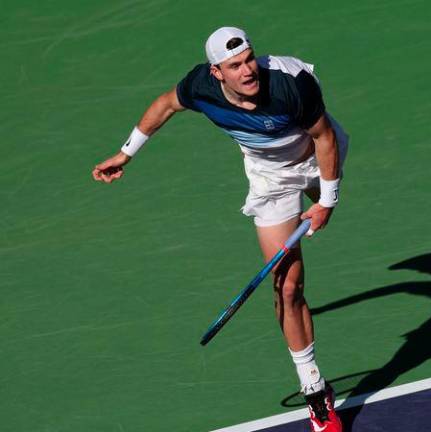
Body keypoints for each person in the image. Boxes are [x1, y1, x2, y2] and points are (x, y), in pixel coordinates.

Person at [91, 26, 346, 432]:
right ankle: (315, 391)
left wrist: (326, 203)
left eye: (249, 59)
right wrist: (126, 153)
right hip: (271, 177)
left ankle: (322, 196)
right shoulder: (199, 87)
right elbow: (164, 105)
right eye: (235, 65)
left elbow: (326, 137)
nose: (247, 70)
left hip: (316, 156)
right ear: (216, 73)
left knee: (321, 184)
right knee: (287, 284)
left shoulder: (290, 83)